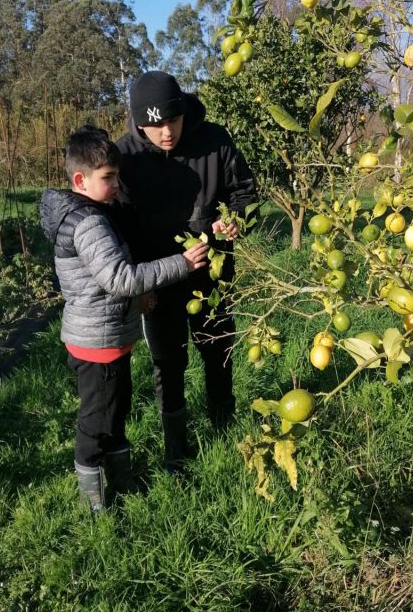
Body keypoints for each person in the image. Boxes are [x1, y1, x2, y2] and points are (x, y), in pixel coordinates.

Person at [39, 125, 208, 512]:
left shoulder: (89, 213)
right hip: (98, 343)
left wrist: (138, 299)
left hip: (105, 337)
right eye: (108, 178)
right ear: (80, 179)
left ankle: (121, 479)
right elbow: (119, 278)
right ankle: (95, 503)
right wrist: (180, 264)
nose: (117, 184)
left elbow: (108, 276)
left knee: (114, 412)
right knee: (96, 423)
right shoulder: (90, 223)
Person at [116, 71, 258, 472]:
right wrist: (137, 286)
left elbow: (245, 192)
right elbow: (121, 226)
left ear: (183, 112)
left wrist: (236, 219)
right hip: (159, 281)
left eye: (172, 122)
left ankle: (224, 427)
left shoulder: (215, 141)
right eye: (154, 124)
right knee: (168, 361)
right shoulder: (128, 156)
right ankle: (175, 448)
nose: (165, 133)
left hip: (211, 277)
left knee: (218, 351)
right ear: (139, 120)